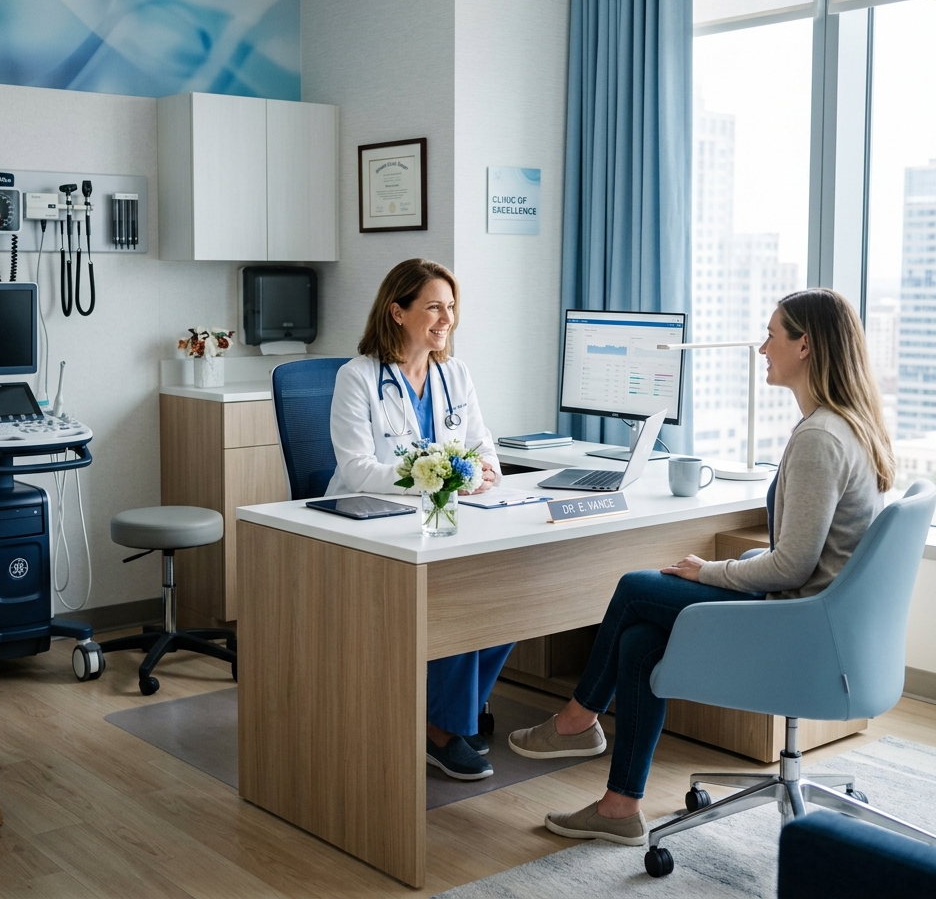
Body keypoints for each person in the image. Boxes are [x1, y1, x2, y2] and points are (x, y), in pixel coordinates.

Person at [508, 288, 895, 845]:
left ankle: (576, 719)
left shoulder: (818, 438)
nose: (761, 348)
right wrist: (741, 560)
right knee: (640, 641)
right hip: (818, 619)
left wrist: (710, 571)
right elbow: (808, 555)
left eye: (771, 334)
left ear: (804, 345)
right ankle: (619, 808)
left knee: (635, 588)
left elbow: (791, 567)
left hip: (797, 627)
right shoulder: (846, 426)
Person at [328, 257, 515, 781]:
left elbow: (485, 451)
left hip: (445, 518)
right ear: (397, 311)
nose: (446, 318)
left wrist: (478, 470)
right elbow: (357, 468)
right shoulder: (358, 377)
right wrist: (430, 475)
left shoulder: (455, 373)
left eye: (451, 307)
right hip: (372, 522)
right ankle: (441, 730)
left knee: (509, 601)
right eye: (433, 306)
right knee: (456, 601)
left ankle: (454, 712)